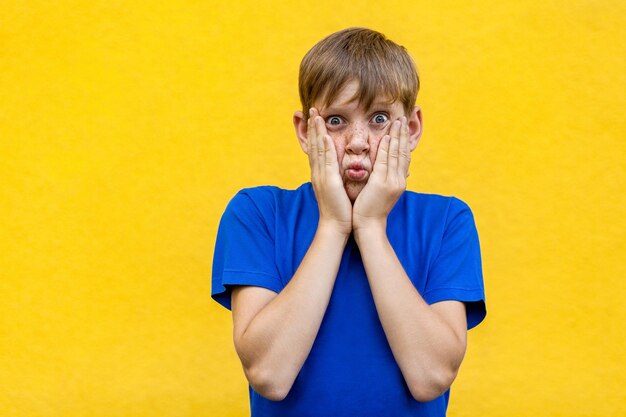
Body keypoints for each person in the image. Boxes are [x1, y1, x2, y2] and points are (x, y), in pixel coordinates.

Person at [211, 27, 486, 416]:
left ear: (410, 128)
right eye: (337, 121)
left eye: (378, 119)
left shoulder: (446, 221)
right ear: (307, 131)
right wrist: (333, 226)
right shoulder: (257, 213)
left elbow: (431, 376)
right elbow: (269, 374)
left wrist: (371, 227)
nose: (358, 141)